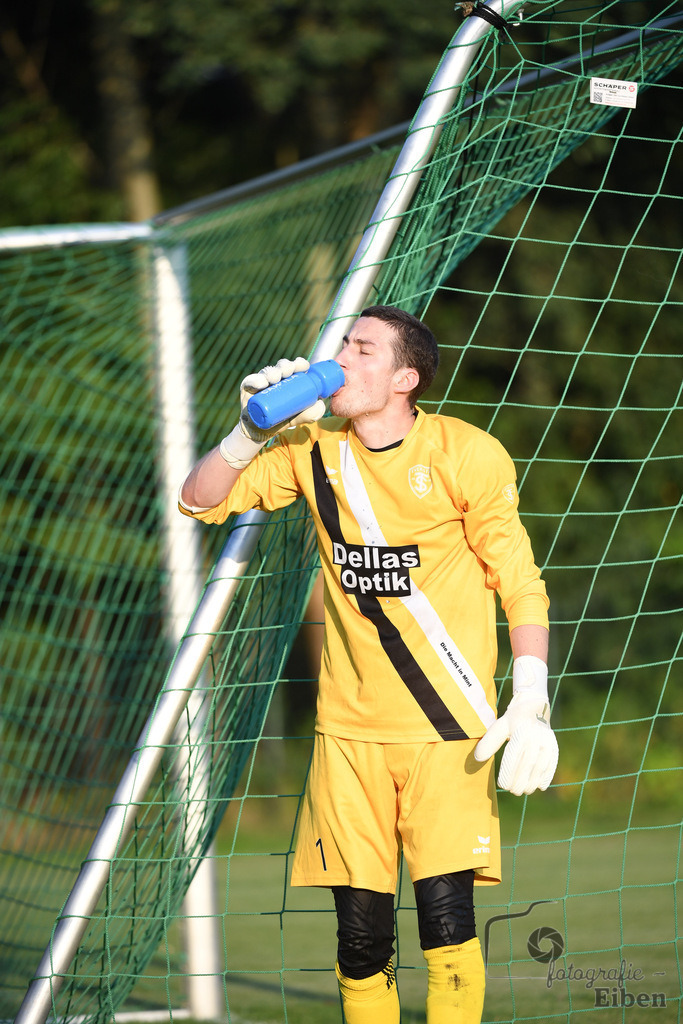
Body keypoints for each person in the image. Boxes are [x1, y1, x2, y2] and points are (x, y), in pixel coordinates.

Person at [179, 305, 558, 1024]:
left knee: (446, 922)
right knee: (359, 938)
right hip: (346, 736)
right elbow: (197, 499)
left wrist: (531, 697)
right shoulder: (309, 448)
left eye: (362, 349)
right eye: (342, 344)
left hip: (450, 729)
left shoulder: (466, 453)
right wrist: (248, 433)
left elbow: (519, 580)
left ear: (404, 378)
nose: (342, 359)